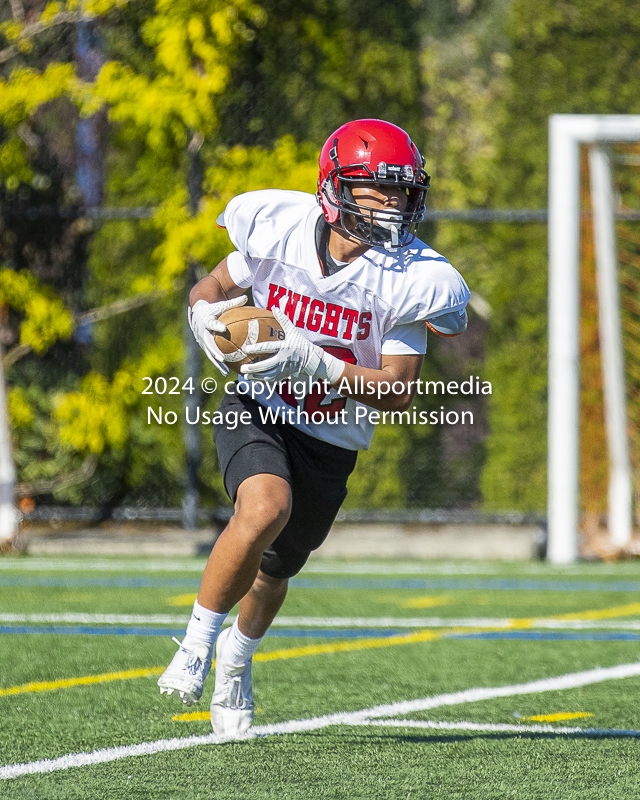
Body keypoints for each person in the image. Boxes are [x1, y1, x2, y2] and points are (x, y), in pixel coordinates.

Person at [158, 119, 470, 736]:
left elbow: (399, 389)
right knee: (263, 506)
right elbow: (217, 283)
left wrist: (319, 364)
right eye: (376, 190)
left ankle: (235, 664)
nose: (393, 205)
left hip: (332, 436)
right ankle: (195, 643)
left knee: (277, 570)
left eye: (402, 191)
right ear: (335, 189)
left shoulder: (410, 276)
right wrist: (202, 315)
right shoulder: (278, 225)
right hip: (260, 406)